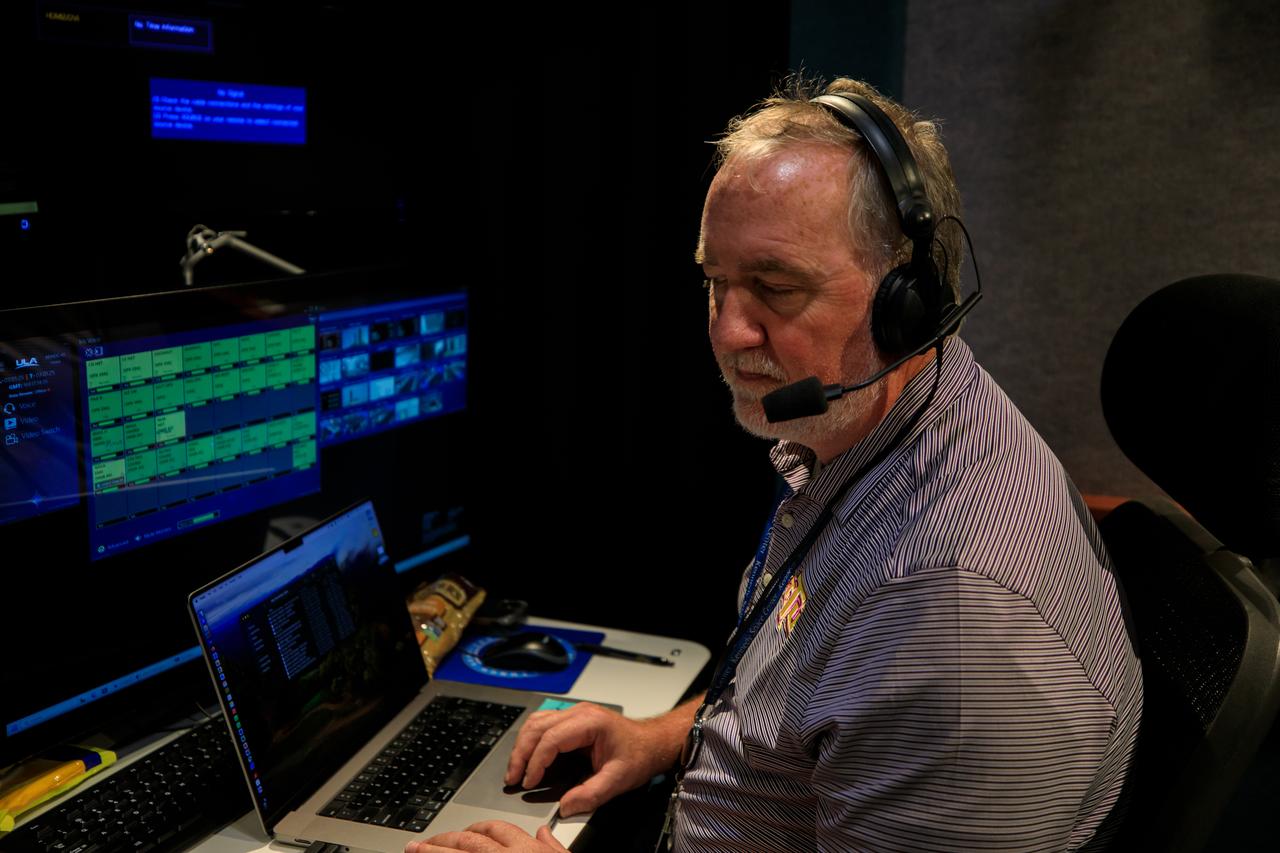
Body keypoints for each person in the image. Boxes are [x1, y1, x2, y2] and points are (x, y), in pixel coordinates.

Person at [408, 77, 1142, 853]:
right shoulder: (873, 431)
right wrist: (665, 737)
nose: (728, 331)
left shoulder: (948, 624)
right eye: (714, 282)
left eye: (776, 286)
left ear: (908, 302)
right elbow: (813, 700)